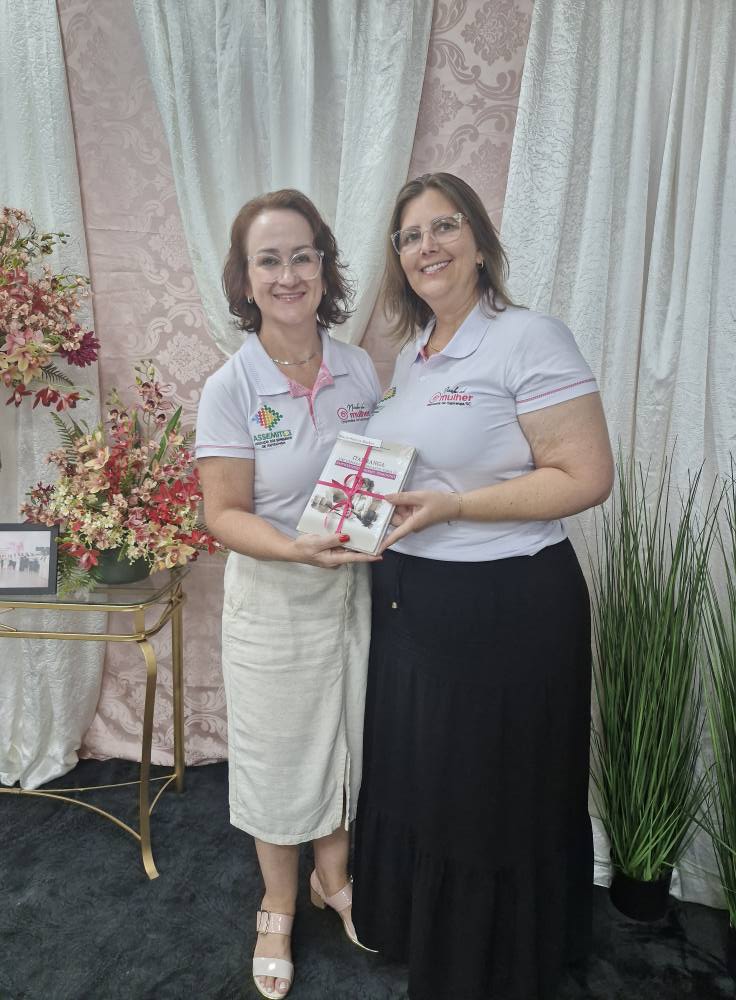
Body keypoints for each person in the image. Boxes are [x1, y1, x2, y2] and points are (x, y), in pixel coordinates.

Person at [351, 172, 614, 1000]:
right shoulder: (411, 356)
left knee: (487, 794)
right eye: (410, 236)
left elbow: (586, 476)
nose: (427, 246)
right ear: (398, 259)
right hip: (411, 604)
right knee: (428, 782)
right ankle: (422, 932)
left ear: (479, 242)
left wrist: (457, 506)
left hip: (508, 608)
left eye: (445, 226)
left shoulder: (529, 338)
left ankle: (491, 961)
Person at [195, 189, 382, 999]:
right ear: (245, 279)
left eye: (302, 255)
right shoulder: (230, 386)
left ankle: (331, 879)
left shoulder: (358, 368)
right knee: (277, 754)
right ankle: (276, 903)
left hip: (352, 593)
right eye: (268, 260)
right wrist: (298, 550)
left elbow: (374, 473)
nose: (288, 274)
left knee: (344, 737)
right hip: (274, 598)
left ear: (324, 266)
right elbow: (223, 514)